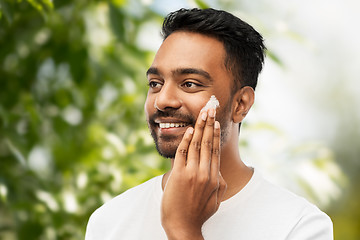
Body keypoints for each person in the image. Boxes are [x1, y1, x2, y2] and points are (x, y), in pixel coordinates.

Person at [85, 8, 333, 240]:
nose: (163, 100)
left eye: (189, 83)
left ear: (241, 104)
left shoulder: (299, 225)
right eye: (155, 84)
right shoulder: (109, 222)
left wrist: (183, 229)